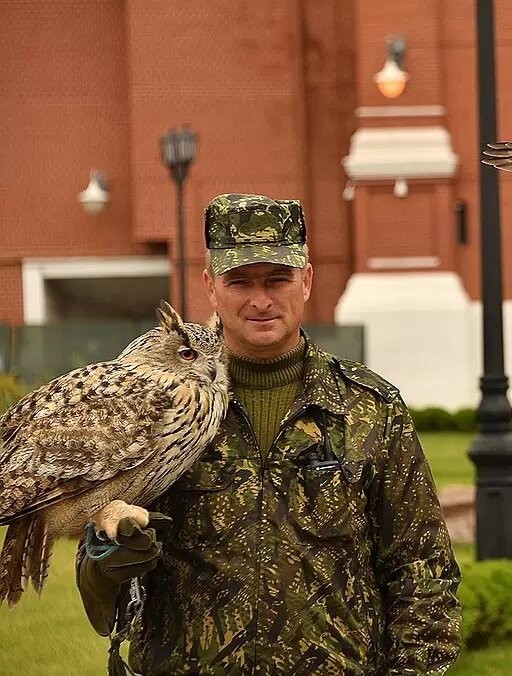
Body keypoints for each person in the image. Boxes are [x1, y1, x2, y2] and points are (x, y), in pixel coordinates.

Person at [76, 193, 462, 674]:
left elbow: (423, 575)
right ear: (209, 287)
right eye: (239, 281)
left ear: (307, 282)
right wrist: (106, 560)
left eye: (278, 279)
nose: (260, 300)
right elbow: (100, 595)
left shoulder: (370, 410)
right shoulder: (153, 411)